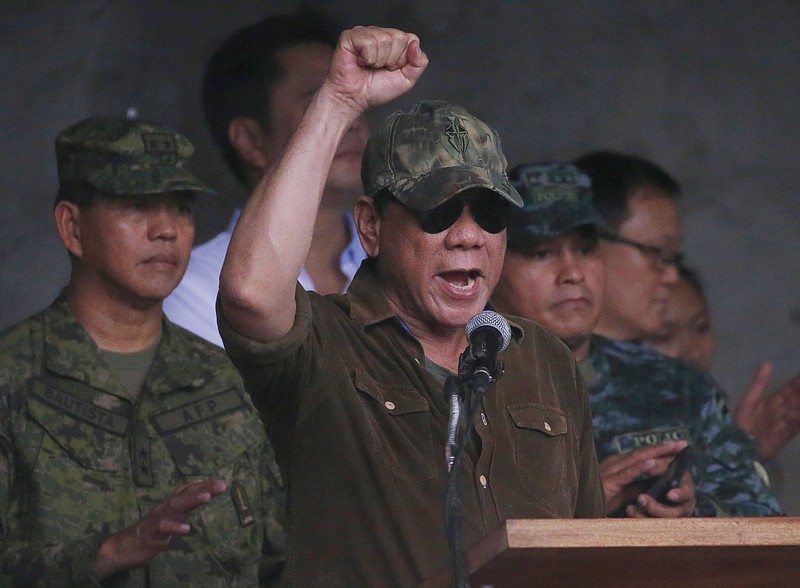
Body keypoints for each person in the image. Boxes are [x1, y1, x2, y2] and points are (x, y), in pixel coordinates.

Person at [218, 27, 605, 587]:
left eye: (489, 214)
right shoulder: (325, 348)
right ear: (371, 226)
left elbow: (588, 555)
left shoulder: (541, 357)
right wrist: (339, 103)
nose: (468, 237)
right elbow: (251, 294)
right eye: (439, 212)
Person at [0, 116, 285, 586]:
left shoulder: (229, 382)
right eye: (137, 206)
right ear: (72, 227)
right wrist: (108, 554)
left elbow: (280, 563)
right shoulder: (13, 379)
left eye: (181, 207)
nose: (167, 230)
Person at [493, 161, 784, 518]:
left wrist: (690, 511)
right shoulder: (466, 388)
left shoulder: (679, 387)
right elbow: (443, 546)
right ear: (494, 263)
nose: (572, 273)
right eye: (542, 253)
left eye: (586, 250)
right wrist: (582, 503)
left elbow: (764, 521)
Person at [163, 10, 368, 346]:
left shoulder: (402, 260)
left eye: (357, 102)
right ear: (250, 141)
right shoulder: (195, 288)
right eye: (324, 103)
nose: (354, 121)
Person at [645, 263, 800, 462]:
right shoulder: (605, 420)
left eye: (701, 327)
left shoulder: (709, 417)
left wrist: (742, 452)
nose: (693, 351)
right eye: (664, 336)